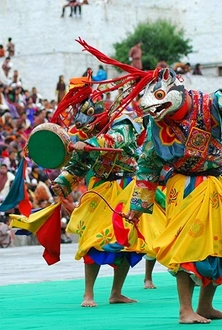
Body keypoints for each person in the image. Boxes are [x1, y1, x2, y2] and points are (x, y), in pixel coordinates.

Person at [125, 68, 222, 324]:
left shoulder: (209, 101)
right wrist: (138, 204)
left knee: (220, 247)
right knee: (188, 246)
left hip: (219, 182)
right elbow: (148, 164)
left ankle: (205, 305)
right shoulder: (156, 124)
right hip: (185, 187)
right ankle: (185, 310)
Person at [51, 74, 150, 308]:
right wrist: (63, 181)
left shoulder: (123, 121)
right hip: (100, 189)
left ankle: (116, 292)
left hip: (126, 187)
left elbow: (116, 141)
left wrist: (90, 144)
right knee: (92, 240)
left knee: (126, 242)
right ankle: (88, 294)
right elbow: (78, 165)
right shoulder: (84, 133)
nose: (87, 128)